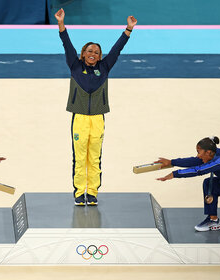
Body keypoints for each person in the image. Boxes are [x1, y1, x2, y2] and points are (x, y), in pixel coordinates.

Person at [54, 8, 137, 206]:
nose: (93, 54)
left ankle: (92, 193)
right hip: (80, 119)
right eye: (89, 51)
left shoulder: (105, 67)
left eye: (96, 52)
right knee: (80, 156)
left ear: (100, 57)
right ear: (83, 54)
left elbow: (117, 49)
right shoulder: (75, 65)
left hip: (98, 118)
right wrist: (61, 23)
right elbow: (67, 44)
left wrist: (128, 29)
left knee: (95, 157)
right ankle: (78, 191)